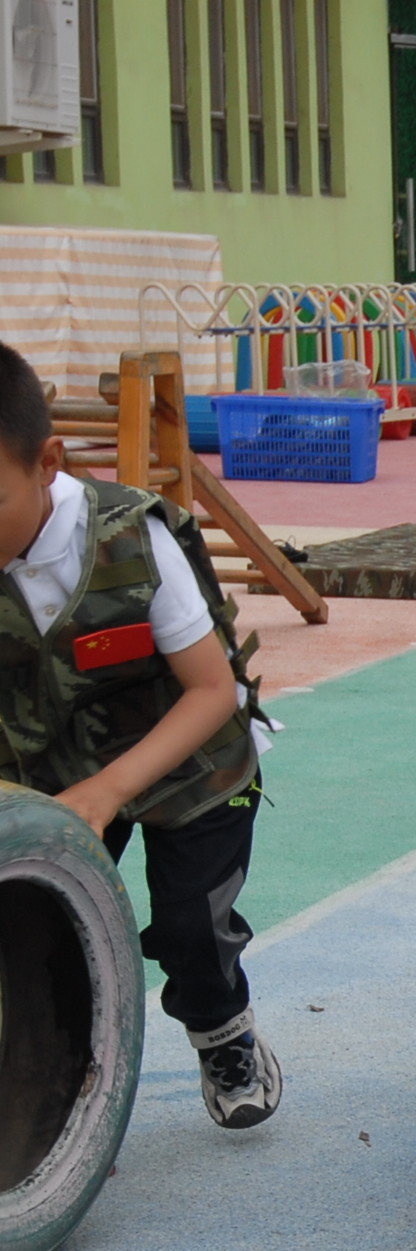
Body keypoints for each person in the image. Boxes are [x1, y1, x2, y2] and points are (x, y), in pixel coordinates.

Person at [0, 339, 282, 1126]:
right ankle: (57, 1090)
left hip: (191, 764)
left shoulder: (130, 536)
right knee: (32, 930)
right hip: (48, 768)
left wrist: (108, 790)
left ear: (48, 461)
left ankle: (223, 1033)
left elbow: (211, 690)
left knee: (191, 926)